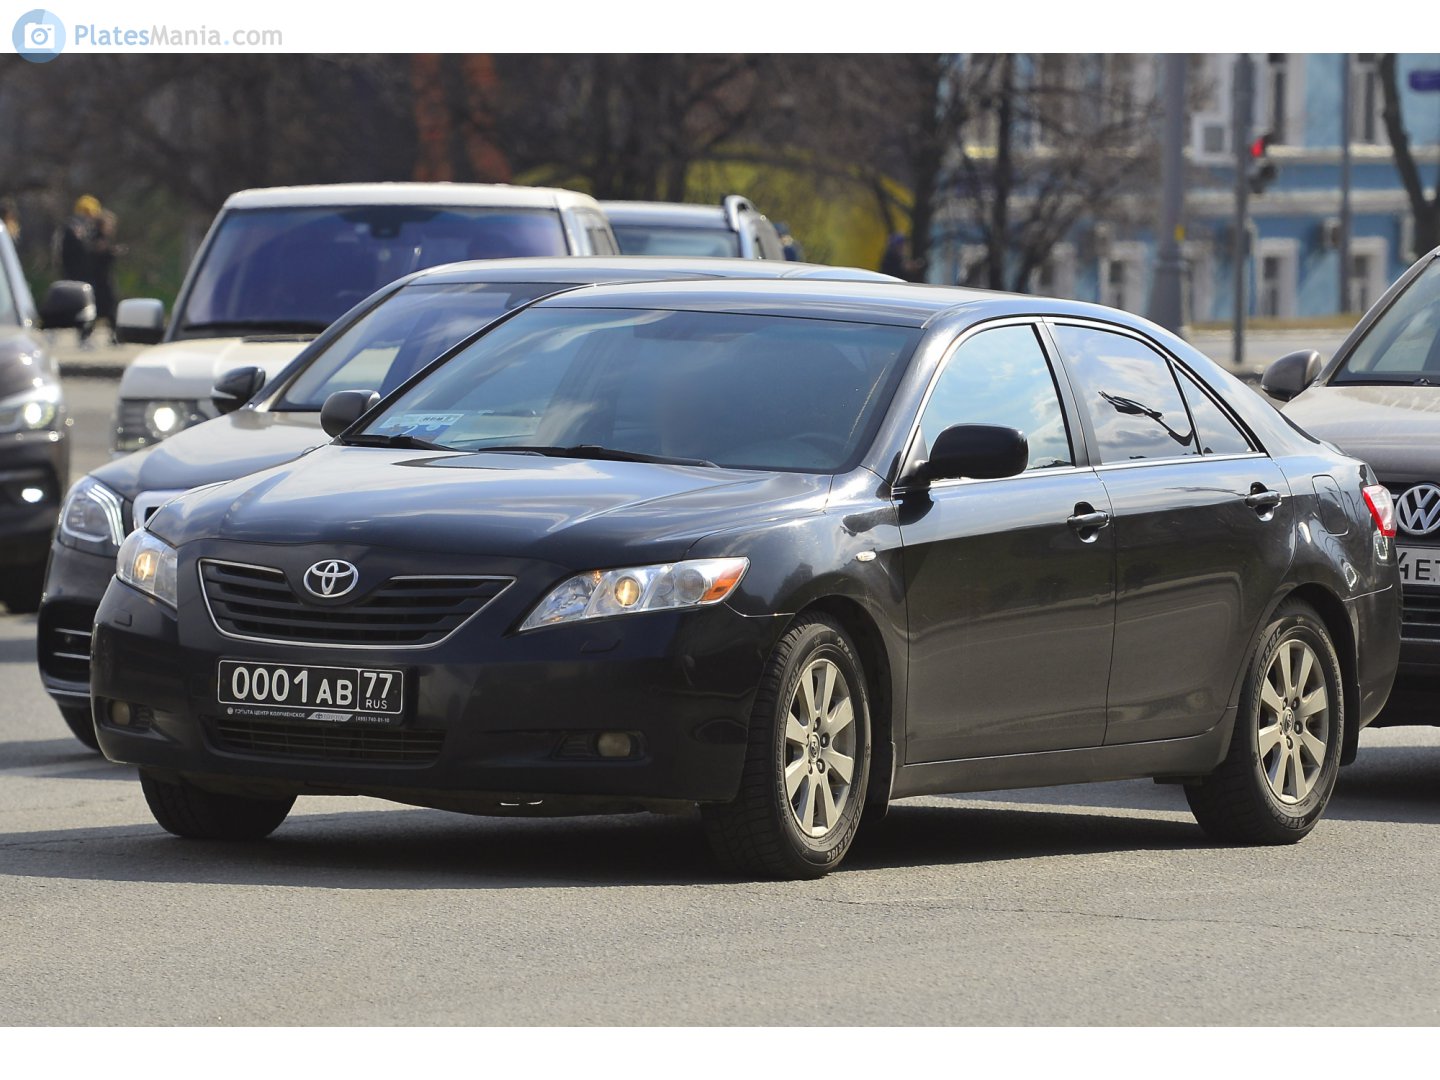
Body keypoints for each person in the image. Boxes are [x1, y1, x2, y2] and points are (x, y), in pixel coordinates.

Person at [58, 195, 102, 347]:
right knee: (70, 305)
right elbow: (69, 252)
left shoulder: (88, 228)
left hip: (86, 273)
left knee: (88, 305)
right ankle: (53, 331)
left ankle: (85, 335)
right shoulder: (72, 228)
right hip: (74, 273)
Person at [91, 210, 125, 345]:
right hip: (100, 280)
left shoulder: (103, 238)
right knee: (103, 309)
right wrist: (111, 253)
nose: (111, 228)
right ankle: (86, 335)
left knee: (109, 309)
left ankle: (115, 335)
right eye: (109, 224)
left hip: (105, 278)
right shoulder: (97, 238)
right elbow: (99, 256)